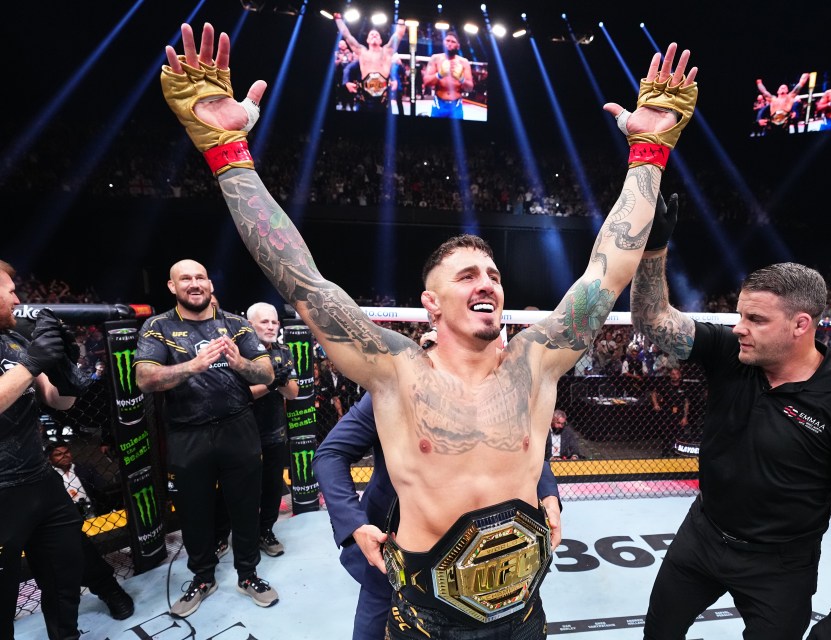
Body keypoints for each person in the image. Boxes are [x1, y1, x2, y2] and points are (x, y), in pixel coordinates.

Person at [160, 23, 698, 637]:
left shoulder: (537, 359)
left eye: (493, 274)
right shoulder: (395, 369)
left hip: (523, 614)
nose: (487, 283)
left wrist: (650, 155)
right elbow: (302, 282)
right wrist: (227, 152)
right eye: (466, 276)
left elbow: (607, 272)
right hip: (425, 617)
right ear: (431, 304)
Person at [629, 202, 831, 637]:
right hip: (703, 535)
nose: (739, 327)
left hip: (781, 565)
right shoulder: (730, 355)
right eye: (740, 315)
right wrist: (653, 249)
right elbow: (653, 320)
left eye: (755, 319)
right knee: (658, 633)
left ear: (800, 325)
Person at [315, 390, 564, 640]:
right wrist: (356, 525)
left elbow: (532, 453)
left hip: (496, 572)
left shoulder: (508, 385)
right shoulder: (399, 384)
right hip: (400, 563)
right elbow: (331, 454)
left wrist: (550, 500)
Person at [133, 259, 277, 618]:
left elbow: (268, 373)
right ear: (172, 286)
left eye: (200, 277)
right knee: (195, 513)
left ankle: (248, 575)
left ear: (209, 284)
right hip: (188, 433)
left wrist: (239, 363)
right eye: (185, 278)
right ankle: (202, 578)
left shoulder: (236, 324)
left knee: (245, 507)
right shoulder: (158, 326)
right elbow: (145, 379)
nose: (194, 283)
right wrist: (192, 366)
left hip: (238, 428)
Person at [0, 259, 84, 640]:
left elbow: (56, 399)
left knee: (64, 577)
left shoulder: (15, 340)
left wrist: (64, 365)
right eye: (9, 290)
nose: (17, 297)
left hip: (39, 481)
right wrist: (35, 360)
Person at [46, 444, 135, 621]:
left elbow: (102, 490)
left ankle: (108, 589)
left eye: (66, 452)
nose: (64, 457)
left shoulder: (84, 468)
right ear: (50, 459)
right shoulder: (50, 477)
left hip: (91, 512)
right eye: (58, 454)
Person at [246, 302, 299, 556]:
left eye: (274, 322)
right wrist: (273, 381)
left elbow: (294, 391)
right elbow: (242, 396)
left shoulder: (283, 351)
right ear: (250, 324)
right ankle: (232, 536)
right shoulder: (239, 353)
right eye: (264, 322)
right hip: (243, 434)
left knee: (272, 487)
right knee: (240, 487)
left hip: (275, 432)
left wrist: (278, 382)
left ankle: (266, 531)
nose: (270, 326)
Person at [333, 13, 406, 113]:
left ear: (381, 40)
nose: (374, 35)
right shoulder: (362, 51)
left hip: (383, 99)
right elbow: (346, 34)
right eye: (371, 34)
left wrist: (401, 18)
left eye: (377, 35)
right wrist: (338, 19)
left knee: (381, 127)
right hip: (364, 98)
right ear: (367, 39)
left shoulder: (387, 51)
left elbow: (399, 34)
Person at [422, 33, 475, 119]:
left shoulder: (464, 62)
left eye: (453, 42)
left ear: (458, 46)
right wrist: (439, 75)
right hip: (438, 104)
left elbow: (470, 88)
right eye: (447, 41)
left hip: (456, 106)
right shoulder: (435, 59)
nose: (449, 44)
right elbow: (426, 82)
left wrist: (461, 79)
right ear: (443, 42)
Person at [650, 366, 689, 457]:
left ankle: (677, 453)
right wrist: (655, 404)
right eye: (672, 374)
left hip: (679, 414)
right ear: (670, 375)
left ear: (680, 375)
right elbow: (653, 393)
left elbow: (686, 403)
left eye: (676, 374)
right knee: (666, 434)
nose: (675, 376)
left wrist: (685, 417)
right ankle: (665, 453)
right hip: (666, 413)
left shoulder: (684, 386)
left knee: (678, 434)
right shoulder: (665, 385)